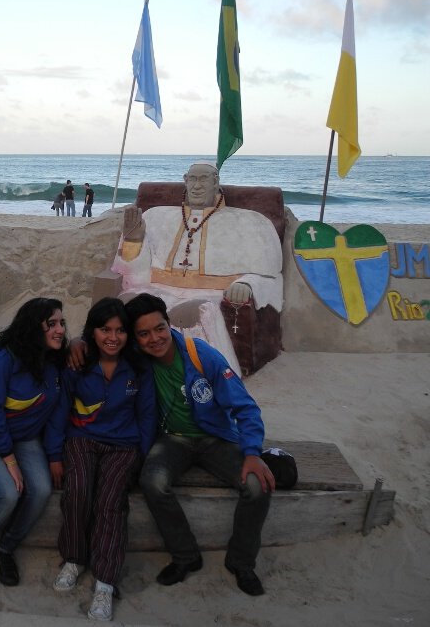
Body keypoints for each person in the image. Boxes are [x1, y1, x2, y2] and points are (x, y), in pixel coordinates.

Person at [126, 293, 275, 596]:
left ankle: (241, 562)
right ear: (135, 338)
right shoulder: (139, 361)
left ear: (169, 325)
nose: (154, 339)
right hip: (172, 440)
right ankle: (185, 556)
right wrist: (78, 344)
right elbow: (100, 343)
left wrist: (251, 453)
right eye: (143, 334)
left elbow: (245, 407)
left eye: (159, 328)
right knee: (152, 482)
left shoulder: (200, 355)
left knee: (257, 486)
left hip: (215, 439)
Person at [111, 162, 283, 373]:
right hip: (155, 288)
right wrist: (133, 241)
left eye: (203, 179)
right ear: (185, 180)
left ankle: (196, 375)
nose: (197, 186)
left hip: (210, 294)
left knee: (193, 313)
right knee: (125, 304)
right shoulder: (155, 217)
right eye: (192, 179)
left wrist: (246, 283)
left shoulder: (248, 222)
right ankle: (124, 369)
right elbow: (133, 274)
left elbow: (269, 273)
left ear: (216, 183)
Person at [52, 298, 156, 621]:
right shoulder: (78, 365)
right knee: (78, 490)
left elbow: (147, 416)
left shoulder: (138, 369)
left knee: (111, 502)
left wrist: (140, 455)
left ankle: (105, 582)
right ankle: (73, 559)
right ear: (92, 332)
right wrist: (55, 455)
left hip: (124, 446)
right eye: (104, 329)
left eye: (120, 330)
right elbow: (60, 411)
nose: (113, 337)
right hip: (82, 439)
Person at [0, 297, 69, 588]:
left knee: (42, 490)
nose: (60, 329)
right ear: (34, 328)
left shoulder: (54, 363)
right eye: (52, 324)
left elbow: (58, 415)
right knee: (9, 493)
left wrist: (55, 455)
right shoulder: (3, 361)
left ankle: (6, 549)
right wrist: (9, 459)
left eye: (62, 323)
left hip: (24, 437)